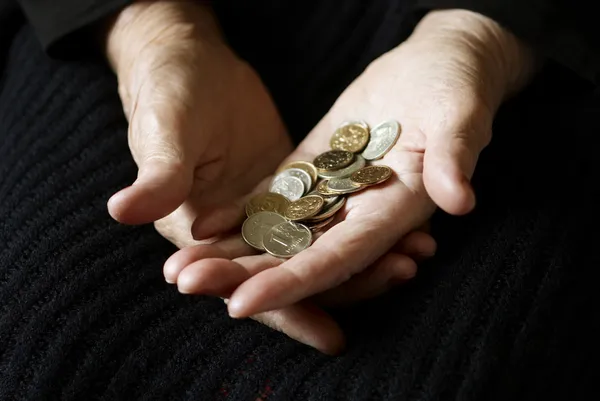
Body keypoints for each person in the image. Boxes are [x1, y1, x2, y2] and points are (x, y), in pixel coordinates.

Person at [0, 0, 598, 400]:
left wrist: (481, 33)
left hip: (548, 38)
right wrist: (150, 28)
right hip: (108, 25)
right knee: (44, 332)